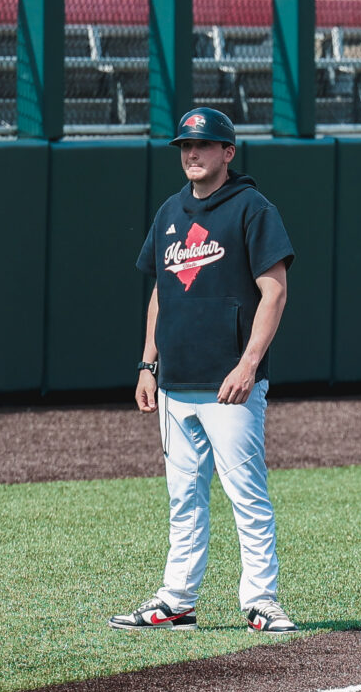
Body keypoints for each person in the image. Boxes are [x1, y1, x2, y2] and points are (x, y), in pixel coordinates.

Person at [110, 107, 298, 634]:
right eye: (185, 147)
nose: (192, 155)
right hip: (174, 382)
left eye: (204, 146)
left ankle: (261, 599)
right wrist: (148, 363)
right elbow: (160, 294)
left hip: (229, 385)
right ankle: (176, 601)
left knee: (246, 493)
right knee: (183, 497)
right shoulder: (171, 210)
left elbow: (275, 291)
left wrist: (248, 364)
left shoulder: (251, 208)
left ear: (228, 152)